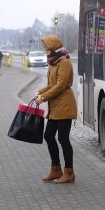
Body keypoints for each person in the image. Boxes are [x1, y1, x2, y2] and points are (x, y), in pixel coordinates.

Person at [35, 35, 78, 184]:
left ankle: (69, 172)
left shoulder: (64, 62)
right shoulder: (53, 63)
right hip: (55, 107)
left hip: (65, 106)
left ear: (53, 48)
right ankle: (56, 169)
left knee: (63, 139)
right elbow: (52, 85)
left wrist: (44, 97)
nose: (45, 51)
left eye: (47, 48)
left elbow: (60, 86)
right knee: (48, 136)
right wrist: (40, 92)